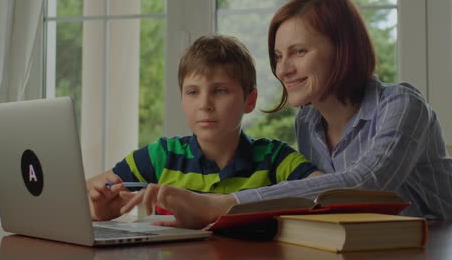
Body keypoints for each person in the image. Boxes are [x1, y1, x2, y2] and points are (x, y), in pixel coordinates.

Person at [122, 0, 452, 229]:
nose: (283, 70)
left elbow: (366, 185)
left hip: (431, 250)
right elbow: (317, 203)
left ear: (343, 50)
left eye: (298, 52)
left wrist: (222, 204)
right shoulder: (308, 120)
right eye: (278, 56)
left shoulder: (403, 106)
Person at [87, 34, 322, 221]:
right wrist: (101, 209)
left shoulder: (275, 157)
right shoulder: (161, 156)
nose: (204, 105)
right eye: (192, 92)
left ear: (249, 101)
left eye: (219, 90)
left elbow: (327, 191)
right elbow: (89, 194)